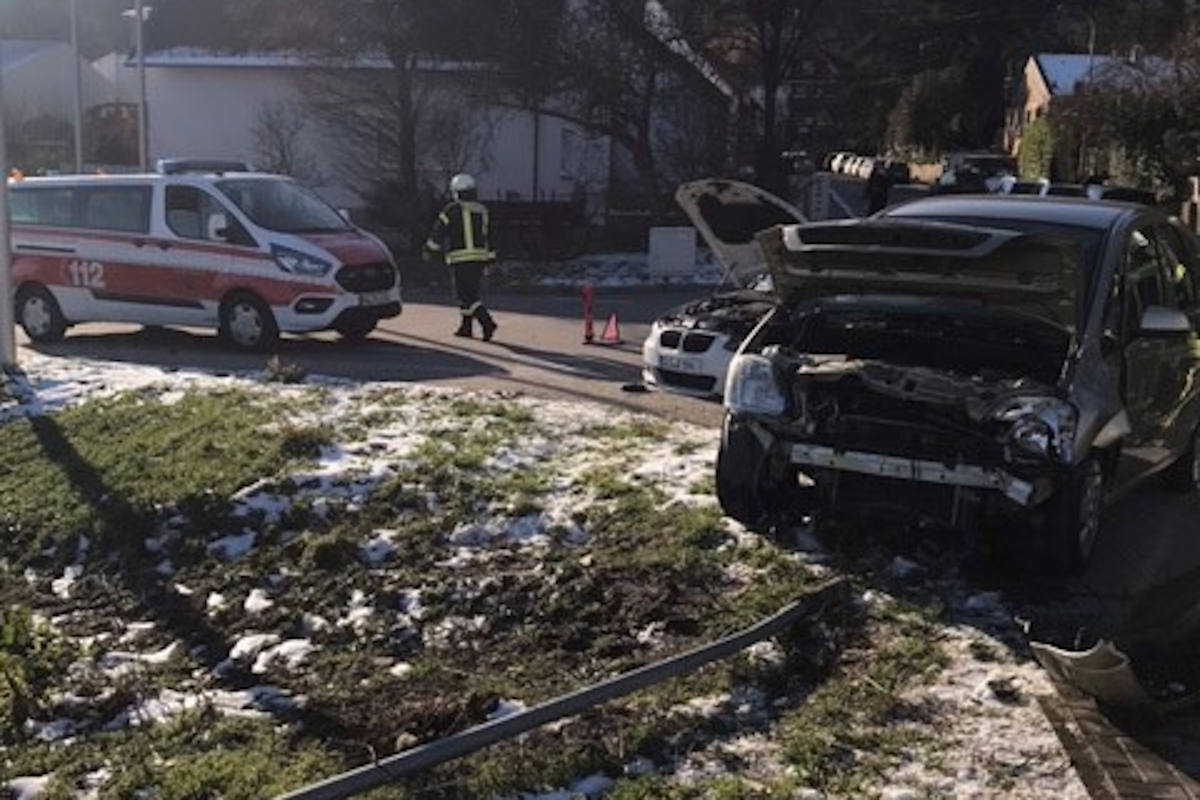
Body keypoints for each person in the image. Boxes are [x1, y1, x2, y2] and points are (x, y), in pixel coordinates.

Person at [423, 174, 498, 341]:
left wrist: (429, 249)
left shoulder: (452, 210)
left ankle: (487, 322)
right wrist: (490, 259)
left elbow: (438, 232)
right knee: (471, 292)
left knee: (465, 295)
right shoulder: (482, 210)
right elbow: (490, 236)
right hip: (479, 259)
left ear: (456, 192)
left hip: (460, 259)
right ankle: (466, 327)